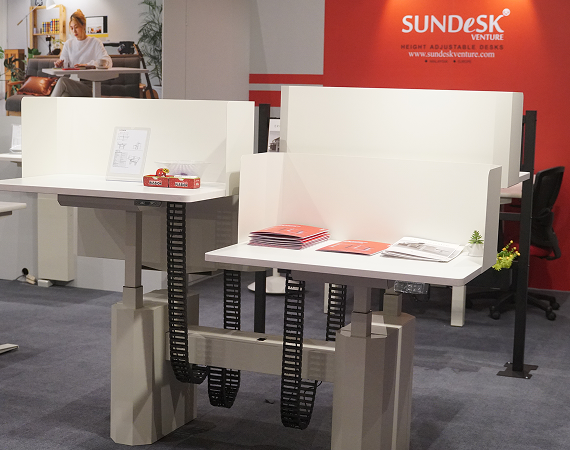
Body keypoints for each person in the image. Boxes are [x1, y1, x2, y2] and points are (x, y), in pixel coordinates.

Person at [51, 9, 112, 97]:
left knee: (62, 81)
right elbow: (64, 68)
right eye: (71, 28)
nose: (74, 31)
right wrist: (59, 65)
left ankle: (47, 105)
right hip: (72, 84)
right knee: (64, 96)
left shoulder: (95, 42)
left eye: (76, 27)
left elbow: (108, 61)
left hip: (90, 86)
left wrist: (88, 65)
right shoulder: (68, 44)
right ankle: (48, 106)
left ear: (84, 25)